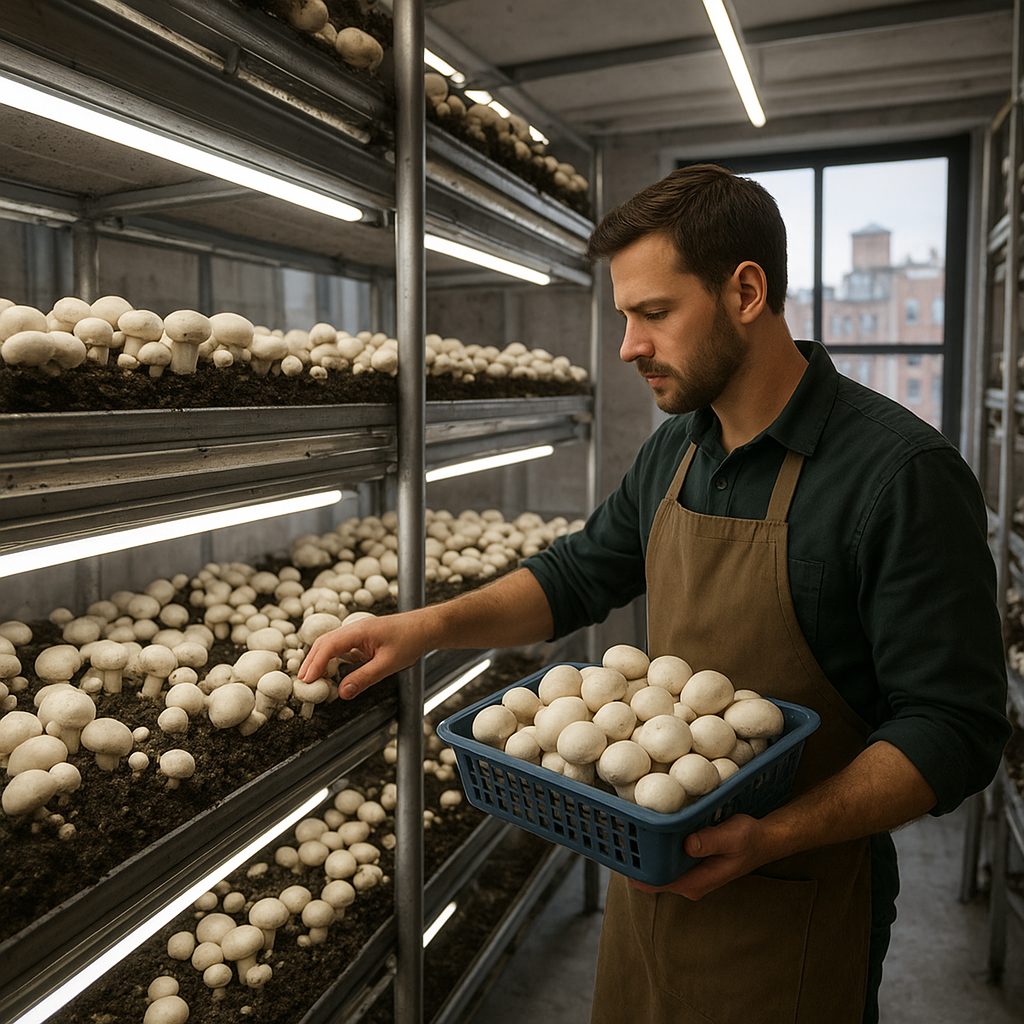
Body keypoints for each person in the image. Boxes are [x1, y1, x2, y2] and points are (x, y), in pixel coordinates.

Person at [300, 163, 1010, 1023]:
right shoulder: (675, 451)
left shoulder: (899, 477)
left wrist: (769, 836)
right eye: (625, 316)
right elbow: (575, 576)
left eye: (655, 313)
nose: (630, 345)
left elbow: (956, 729)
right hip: (652, 870)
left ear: (746, 291)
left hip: (794, 900)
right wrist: (426, 626)